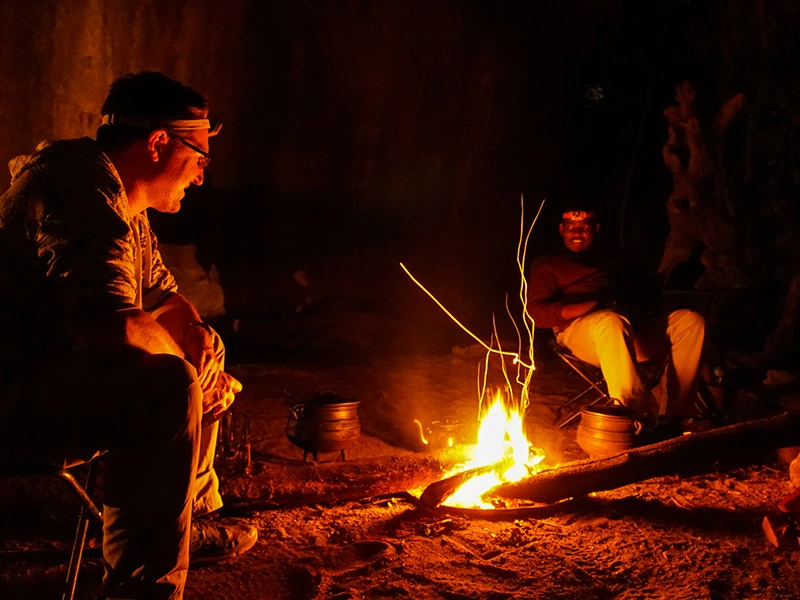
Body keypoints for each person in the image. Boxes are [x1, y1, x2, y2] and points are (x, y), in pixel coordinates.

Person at [0, 72, 256, 599]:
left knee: (198, 348)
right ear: (159, 142)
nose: (202, 177)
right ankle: (143, 587)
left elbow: (162, 298)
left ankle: (184, 520)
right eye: (200, 157)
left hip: (52, 380)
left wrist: (197, 339)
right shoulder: (77, 192)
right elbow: (110, 320)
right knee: (169, 385)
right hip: (12, 396)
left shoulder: (121, 203)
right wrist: (194, 376)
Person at [527, 208, 706, 419]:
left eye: (584, 228)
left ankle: (674, 417)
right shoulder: (548, 264)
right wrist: (589, 306)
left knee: (691, 322)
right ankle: (633, 416)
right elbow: (536, 312)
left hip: (628, 328)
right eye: (570, 228)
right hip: (581, 332)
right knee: (610, 321)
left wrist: (637, 308)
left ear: (596, 229)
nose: (576, 233)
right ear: (561, 230)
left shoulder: (614, 259)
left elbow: (642, 292)